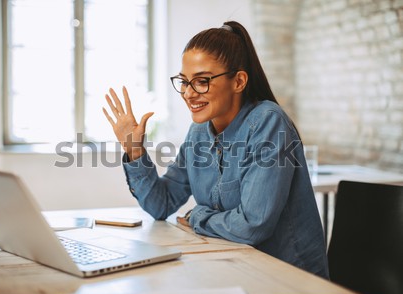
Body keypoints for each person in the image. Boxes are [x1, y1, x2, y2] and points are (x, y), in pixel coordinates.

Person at [103, 21, 329, 279]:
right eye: (184, 82)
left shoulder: (268, 121)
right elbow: (161, 204)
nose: (188, 93)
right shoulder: (199, 132)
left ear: (239, 81)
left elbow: (253, 226)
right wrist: (135, 151)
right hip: (232, 267)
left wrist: (199, 216)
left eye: (201, 81)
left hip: (287, 279)